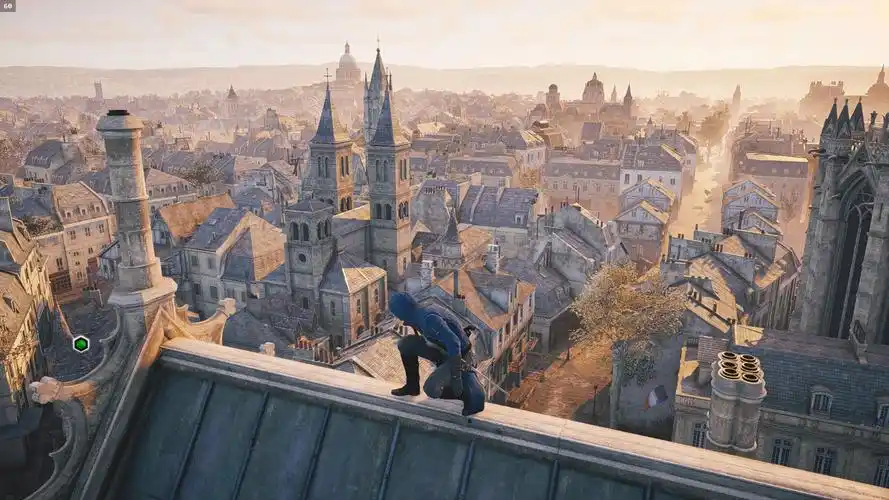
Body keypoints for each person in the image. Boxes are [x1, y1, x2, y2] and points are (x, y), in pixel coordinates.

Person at [388, 292, 485, 416]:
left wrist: (456, 379)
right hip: (441, 350)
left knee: (431, 389)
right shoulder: (418, 313)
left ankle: (467, 392)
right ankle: (412, 386)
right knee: (405, 344)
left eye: (396, 314)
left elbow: (454, 343)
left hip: (459, 356)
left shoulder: (429, 319)